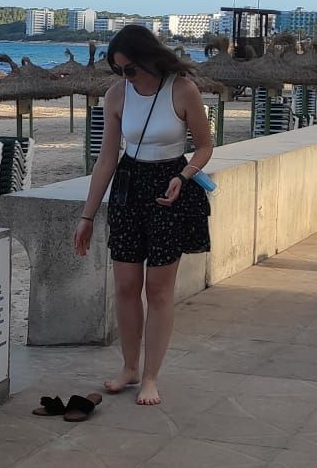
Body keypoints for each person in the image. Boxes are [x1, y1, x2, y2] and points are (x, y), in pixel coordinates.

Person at [73, 23, 214, 407]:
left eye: (130, 69)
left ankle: (151, 376)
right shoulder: (117, 94)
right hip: (129, 187)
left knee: (159, 290)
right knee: (125, 285)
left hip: (170, 184)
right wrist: (87, 216)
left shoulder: (182, 89)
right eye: (119, 70)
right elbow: (106, 158)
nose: (125, 76)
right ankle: (129, 368)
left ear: (148, 59)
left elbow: (204, 147)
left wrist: (183, 177)